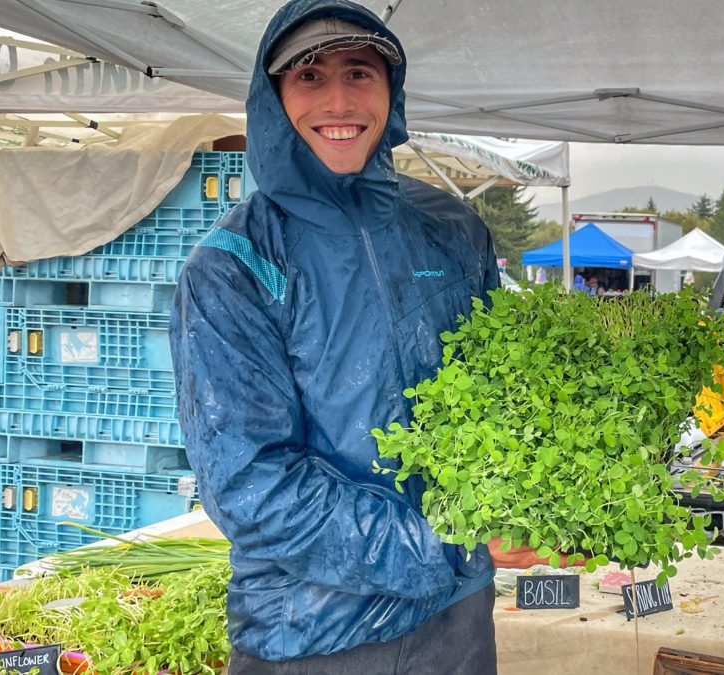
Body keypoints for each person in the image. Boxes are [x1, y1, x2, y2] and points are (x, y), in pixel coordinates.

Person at [170, 1, 521, 672]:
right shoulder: (234, 266)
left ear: (392, 91)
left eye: (359, 72)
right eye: (308, 75)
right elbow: (252, 484)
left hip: (458, 618)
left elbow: (496, 394)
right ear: (273, 96)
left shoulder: (451, 227)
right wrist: (444, 542)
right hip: (315, 634)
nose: (338, 99)